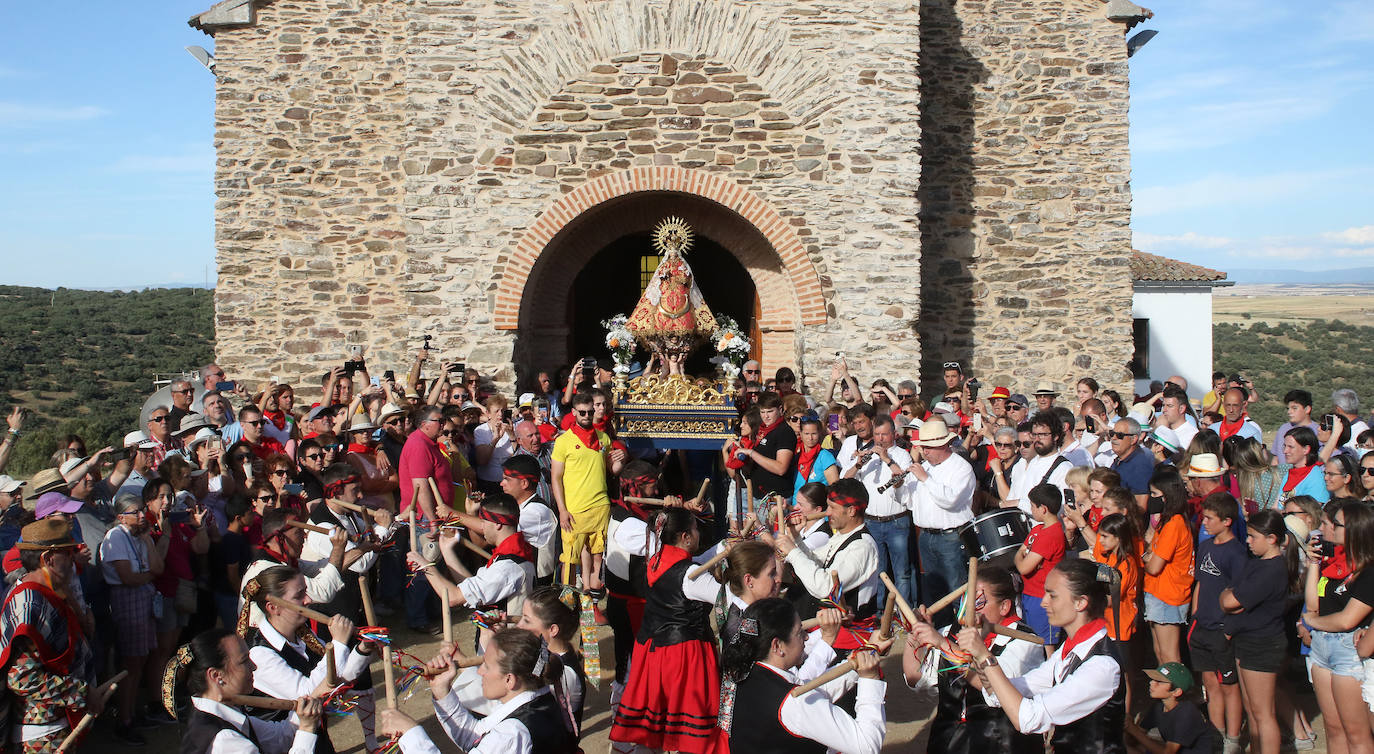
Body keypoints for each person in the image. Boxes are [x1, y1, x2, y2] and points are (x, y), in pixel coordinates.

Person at [955, 558, 1126, 753]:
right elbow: (1006, 691)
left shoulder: (1102, 666)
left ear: (1080, 602)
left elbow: (1028, 719)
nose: (1043, 602)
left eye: (1052, 596)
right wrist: (979, 653)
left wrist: (984, 656)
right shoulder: (1068, 650)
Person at [609, 508, 725, 754]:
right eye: (695, 528)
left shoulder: (656, 557)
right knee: (691, 734)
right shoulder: (692, 578)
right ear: (685, 537)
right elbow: (732, 601)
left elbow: (694, 562)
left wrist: (724, 546)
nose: (698, 532)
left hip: (652, 653)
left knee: (652, 730)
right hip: (684, 656)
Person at [903, 566, 1043, 754]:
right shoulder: (951, 634)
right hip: (948, 742)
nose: (968, 610)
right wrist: (916, 633)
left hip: (1000, 745)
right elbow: (915, 677)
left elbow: (997, 688)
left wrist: (944, 646)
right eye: (965, 601)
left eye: (978, 602)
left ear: (1004, 607)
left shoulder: (1025, 641)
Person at [240, 565, 379, 754]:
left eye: (306, 591)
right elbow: (309, 694)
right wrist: (338, 643)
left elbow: (334, 683)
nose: (308, 600)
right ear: (273, 607)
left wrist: (363, 650)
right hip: (290, 746)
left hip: (316, 738)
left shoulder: (304, 635)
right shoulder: (259, 654)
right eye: (299, 595)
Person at [721, 598, 887, 754]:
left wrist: (862, 658)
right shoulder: (793, 702)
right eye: (800, 632)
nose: (807, 637)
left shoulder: (741, 676)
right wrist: (870, 678)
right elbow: (867, 745)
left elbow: (809, 692)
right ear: (777, 646)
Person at [379, 628, 577, 754]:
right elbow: (475, 736)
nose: (479, 671)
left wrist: (412, 733)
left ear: (509, 680)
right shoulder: (540, 698)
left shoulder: (512, 733)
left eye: (487, 666)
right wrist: (442, 691)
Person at [0, 518, 98, 753]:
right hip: (42, 736)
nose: (74, 559)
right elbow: (22, 679)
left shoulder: (46, 594)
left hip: (56, 725)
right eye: (68, 553)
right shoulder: (29, 605)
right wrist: (83, 694)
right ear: (48, 559)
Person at [167, 627, 323, 754]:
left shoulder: (208, 708)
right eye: (244, 661)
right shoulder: (226, 741)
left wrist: (303, 715)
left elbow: (277, 738)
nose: (254, 667)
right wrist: (307, 729)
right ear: (216, 675)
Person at [1221, 508, 1300, 754]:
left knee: (1264, 713)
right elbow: (1230, 596)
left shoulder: (1272, 569)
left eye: (1253, 536)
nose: (1248, 540)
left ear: (1272, 538)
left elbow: (1228, 601)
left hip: (1263, 644)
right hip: (1247, 641)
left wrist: (1230, 599)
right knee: (1252, 709)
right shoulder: (1257, 564)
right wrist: (1230, 598)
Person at [1301, 501, 1374, 754]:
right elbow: (1313, 604)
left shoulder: (1369, 571)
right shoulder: (1334, 563)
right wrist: (1312, 564)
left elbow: (1346, 620)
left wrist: (1311, 622)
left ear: (1354, 529)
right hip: (1322, 649)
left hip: (1348, 652)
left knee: (1356, 734)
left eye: (1332, 524)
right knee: (1333, 728)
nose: (1324, 529)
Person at [776, 480, 881, 647]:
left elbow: (826, 588)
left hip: (850, 636)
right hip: (831, 630)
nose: (827, 513)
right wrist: (795, 538)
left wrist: (793, 551)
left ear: (852, 511)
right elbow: (815, 562)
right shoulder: (842, 536)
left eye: (833, 508)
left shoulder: (862, 547)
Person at [99, 492, 165, 745]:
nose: (141, 516)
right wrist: (148, 576)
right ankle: (124, 720)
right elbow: (128, 578)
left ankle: (131, 714)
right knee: (132, 663)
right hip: (128, 598)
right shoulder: (115, 537)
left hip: (142, 596)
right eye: (135, 512)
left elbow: (158, 567)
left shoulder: (138, 537)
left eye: (141, 511)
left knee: (141, 659)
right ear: (120, 517)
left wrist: (148, 537)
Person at [551, 392, 626, 594]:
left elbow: (613, 470)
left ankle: (591, 609)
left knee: (596, 560)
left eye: (590, 412)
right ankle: (566, 606)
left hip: (600, 506)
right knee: (569, 561)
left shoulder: (603, 438)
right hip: (575, 510)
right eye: (582, 412)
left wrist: (620, 457)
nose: (586, 415)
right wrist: (562, 510)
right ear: (574, 412)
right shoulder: (563, 441)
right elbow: (556, 478)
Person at [1189, 492, 1246, 753]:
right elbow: (1200, 583)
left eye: (1210, 518)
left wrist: (1229, 630)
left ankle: (1232, 739)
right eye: (1204, 517)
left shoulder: (1237, 553)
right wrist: (1194, 617)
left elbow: (1241, 596)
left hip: (1222, 629)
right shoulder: (1207, 546)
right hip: (1202, 626)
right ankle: (1215, 734)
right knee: (1210, 684)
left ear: (1226, 521)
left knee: (1229, 686)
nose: (1204, 523)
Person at [841, 413, 915, 607]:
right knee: (878, 571)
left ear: (894, 435)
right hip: (872, 522)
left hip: (897, 521)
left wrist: (886, 459)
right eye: (877, 434)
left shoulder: (902, 455)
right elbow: (846, 482)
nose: (881, 439)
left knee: (902, 573)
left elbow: (903, 482)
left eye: (885, 434)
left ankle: (903, 614)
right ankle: (881, 613)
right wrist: (858, 464)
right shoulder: (866, 455)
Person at [905, 419, 976, 620]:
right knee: (933, 591)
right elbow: (911, 503)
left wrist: (925, 479)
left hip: (951, 537)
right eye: (923, 447)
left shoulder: (961, 468)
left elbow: (950, 501)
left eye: (929, 447)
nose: (925, 452)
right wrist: (898, 487)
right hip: (926, 536)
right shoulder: (925, 467)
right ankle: (941, 632)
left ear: (944, 445)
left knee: (957, 590)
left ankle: (962, 634)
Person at [516, 587, 586, 730]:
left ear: (553, 629)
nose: (518, 625)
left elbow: (521, 704)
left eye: (527, 620)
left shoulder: (564, 674)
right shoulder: (543, 654)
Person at [1143, 467, 1194, 666]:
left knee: (1169, 657)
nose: (1152, 498)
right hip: (1157, 592)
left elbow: (1154, 565)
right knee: (1159, 652)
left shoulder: (1175, 523)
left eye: (1155, 494)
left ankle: (1174, 696)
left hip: (1168, 594)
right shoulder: (1167, 520)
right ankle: (1166, 694)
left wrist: (1145, 557)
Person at [1015, 483, 1067, 646]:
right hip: (1030, 593)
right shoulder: (1037, 529)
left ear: (1043, 508)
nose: (1031, 510)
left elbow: (1023, 566)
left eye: (1032, 506)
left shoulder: (1051, 534)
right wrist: (1022, 557)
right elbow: (1019, 554)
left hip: (1043, 597)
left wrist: (1023, 557)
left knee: (1046, 643)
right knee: (1031, 640)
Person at [1124, 662, 1213, 754]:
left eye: (1159, 681)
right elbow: (1134, 739)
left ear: (1176, 692)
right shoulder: (1158, 706)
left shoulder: (1186, 713)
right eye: (1154, 679)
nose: (1152, 683)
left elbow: (1168, 752)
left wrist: (1133, 730)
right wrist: (1128, 727)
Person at [1280, 427, 1330, 505]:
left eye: (1291, 447)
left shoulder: (1316, 477)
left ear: (1306, 449)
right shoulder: (1289, 473)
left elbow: (1312, 512)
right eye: (1285, 446)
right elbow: (1277, 505)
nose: (1285, 451)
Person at [794, 418, 839, 498]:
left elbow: (834, 488)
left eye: (814, 433)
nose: (810, 438)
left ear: (819, 433)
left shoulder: (825, 456)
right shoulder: (796, 456)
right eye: (806, 434)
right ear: (800, 434)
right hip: (795, 507)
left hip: (816, 508)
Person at [1273, 390, 1319, 460]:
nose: (1289, 412)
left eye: (1294, 408)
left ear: (1307, 409)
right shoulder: (1283, 429)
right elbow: (1276, 458)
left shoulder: (1318, 431)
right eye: (1288, 408)